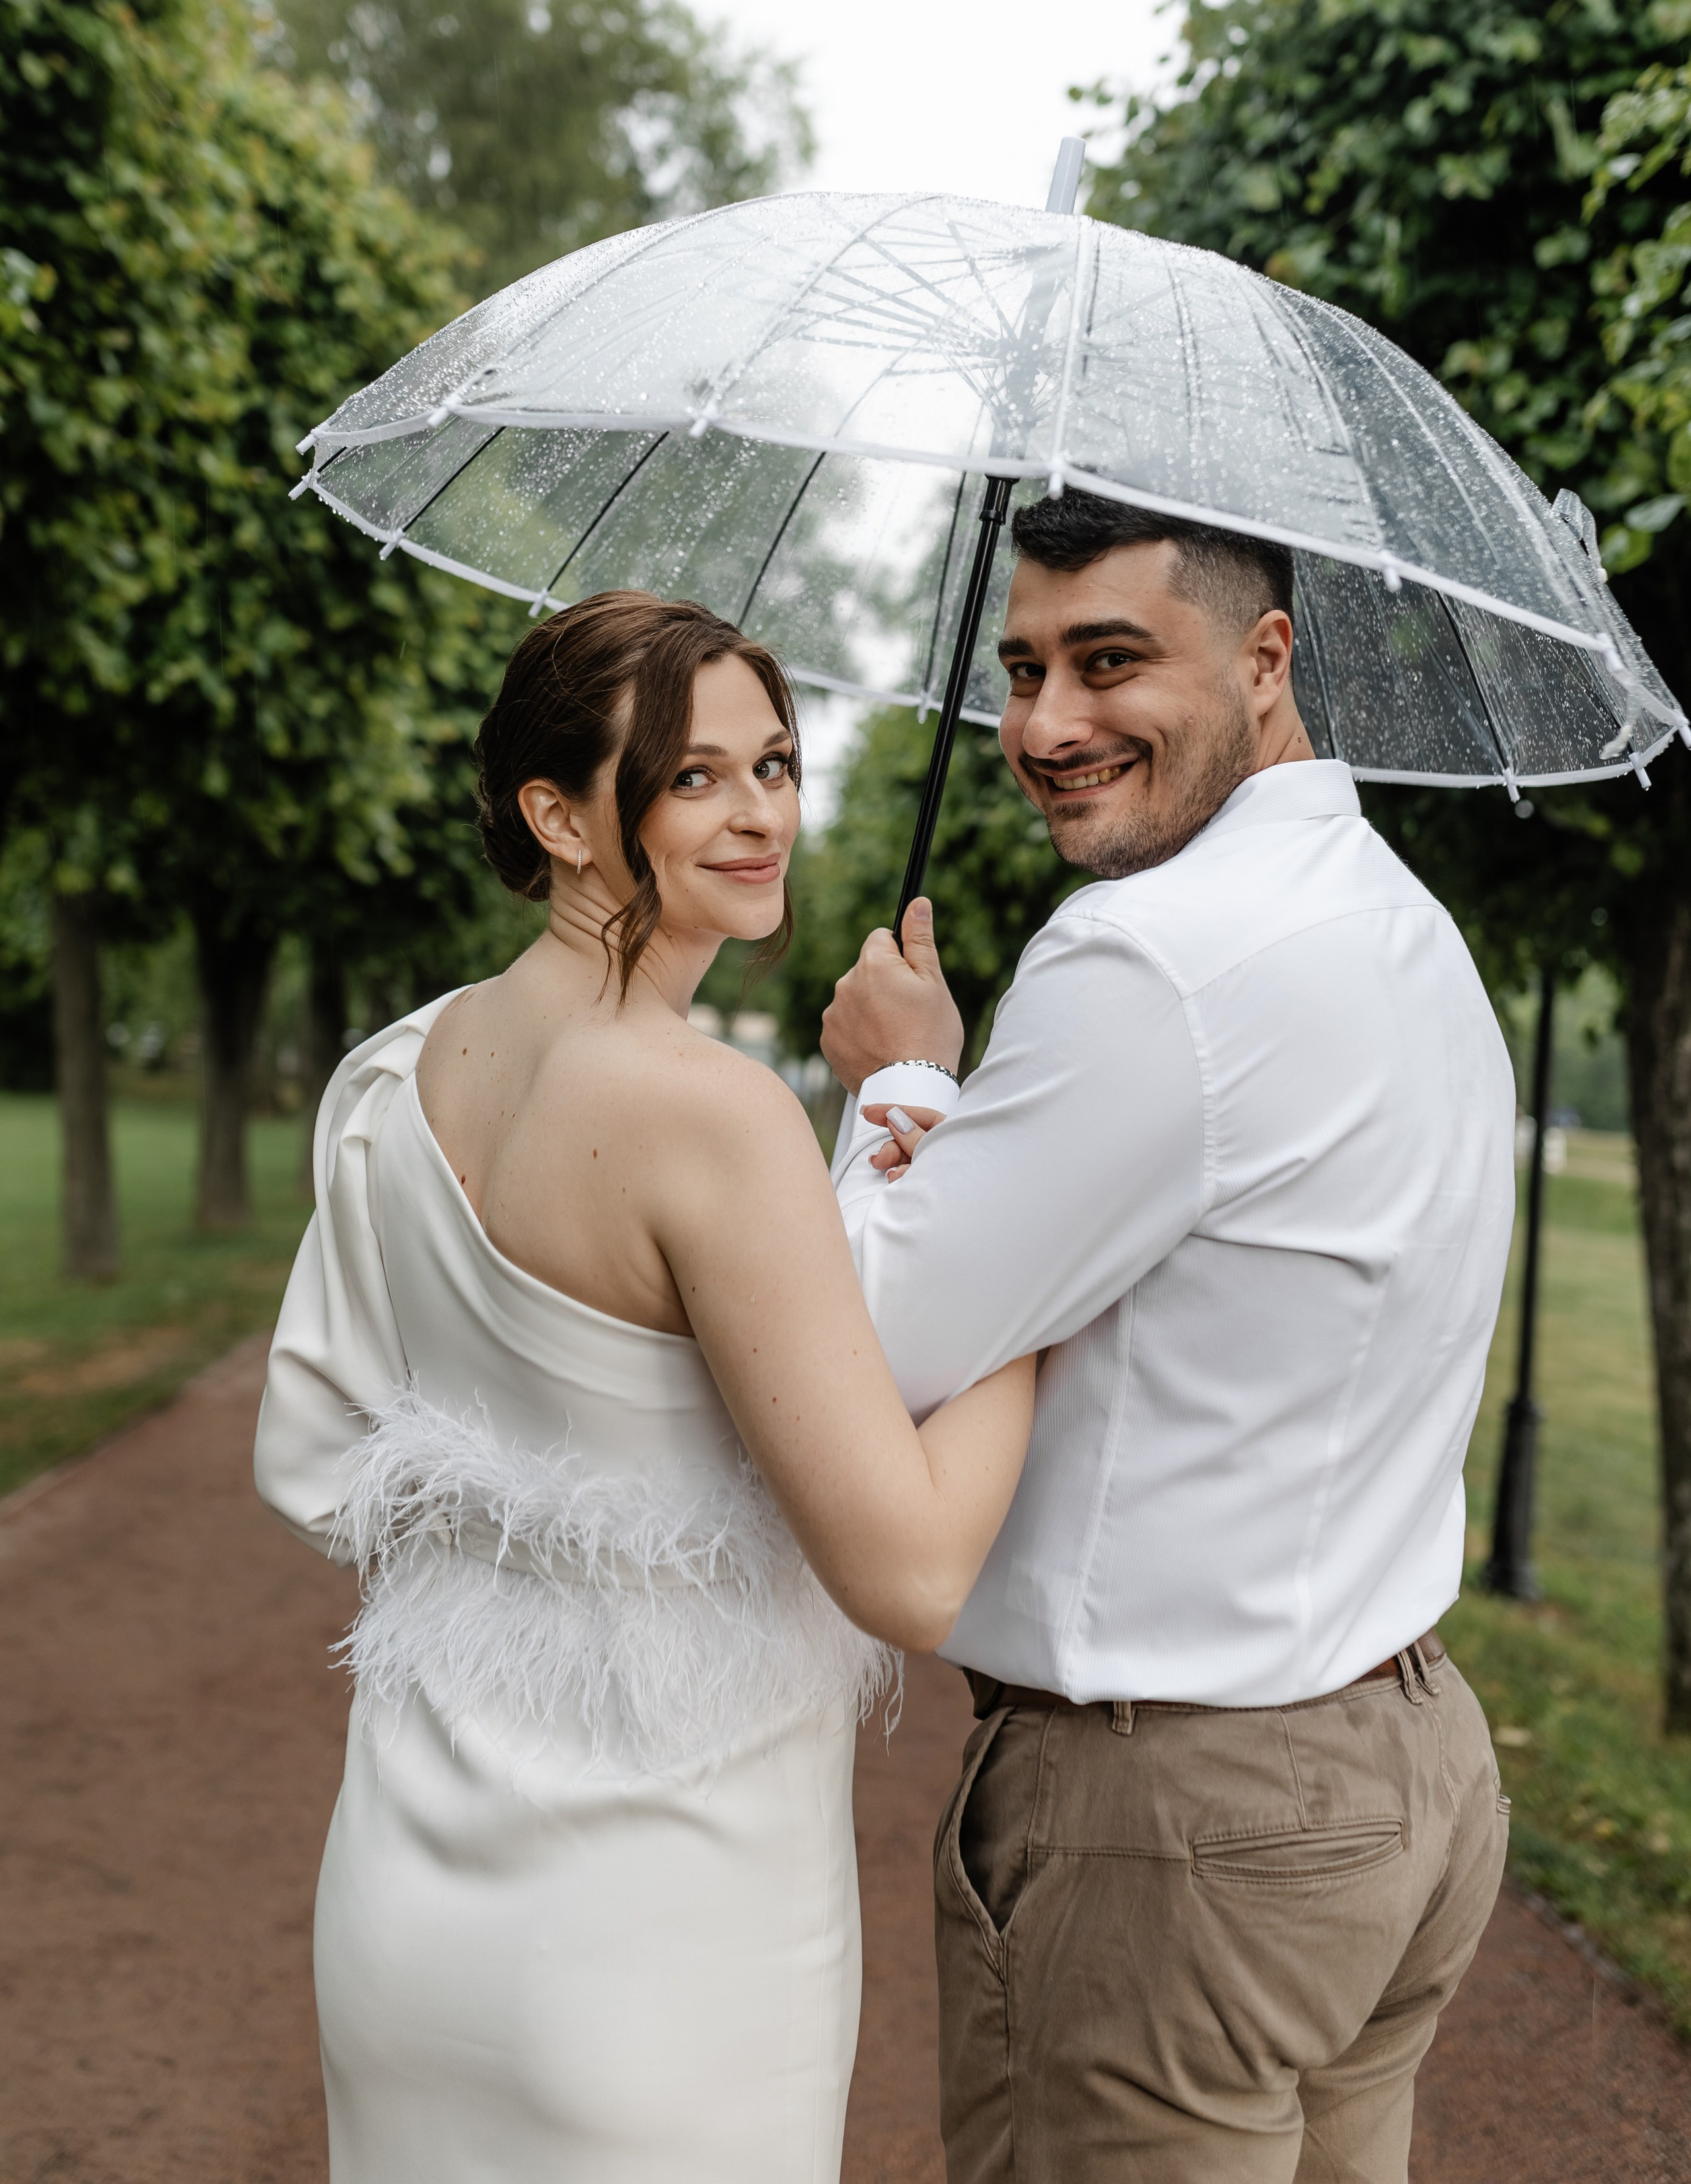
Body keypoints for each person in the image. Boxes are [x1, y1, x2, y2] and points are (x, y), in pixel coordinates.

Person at [253, 589, 1034, 2184]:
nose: (759, 815)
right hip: (671, 1929)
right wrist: (1035, 1263)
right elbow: (910, 1566)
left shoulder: (393, 1077)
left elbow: (327, 1455)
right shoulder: (710, 1113)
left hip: (410, 1881)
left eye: (777, 764)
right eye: (691, 777)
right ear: (554, 812)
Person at [822, 487, 1516, 2184]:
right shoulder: (1406, 930)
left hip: (1180, 1827)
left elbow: (877, 1348)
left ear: (1265, 658)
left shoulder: (1150, 956)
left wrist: (901, 1081)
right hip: (1404, 1763)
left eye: (1109, 660)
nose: (1045, 725)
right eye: (1021, 667)